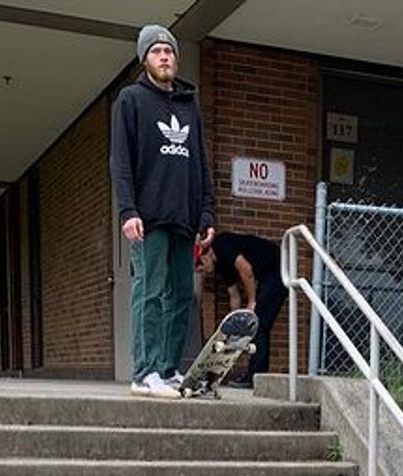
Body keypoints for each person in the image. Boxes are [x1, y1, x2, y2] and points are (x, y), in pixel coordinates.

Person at [110, 24, 215, 398]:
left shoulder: (189, 106)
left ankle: (169, 370)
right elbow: (120, 162)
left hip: (184, 220)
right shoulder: (131, 100)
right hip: (148, 217)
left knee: (181, 295)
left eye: (169, 51)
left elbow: (201, 164)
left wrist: (207, 215)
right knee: (150, 291)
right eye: (156, 51)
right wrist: (127, 211)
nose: (165, 56)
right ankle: (144, 372)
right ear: (145, 59)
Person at [206, 232, 286, 387]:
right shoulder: (221, 268)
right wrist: (235, 322)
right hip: (266, 276)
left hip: (278, 268)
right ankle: (253, 376)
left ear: (205, 256)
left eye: (201, 267)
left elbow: (246, 269)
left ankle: (255, 378)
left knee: (260, 325)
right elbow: (234, 296)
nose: (203, 271)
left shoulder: (221, 245)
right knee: (255, 325)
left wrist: (252, 301)